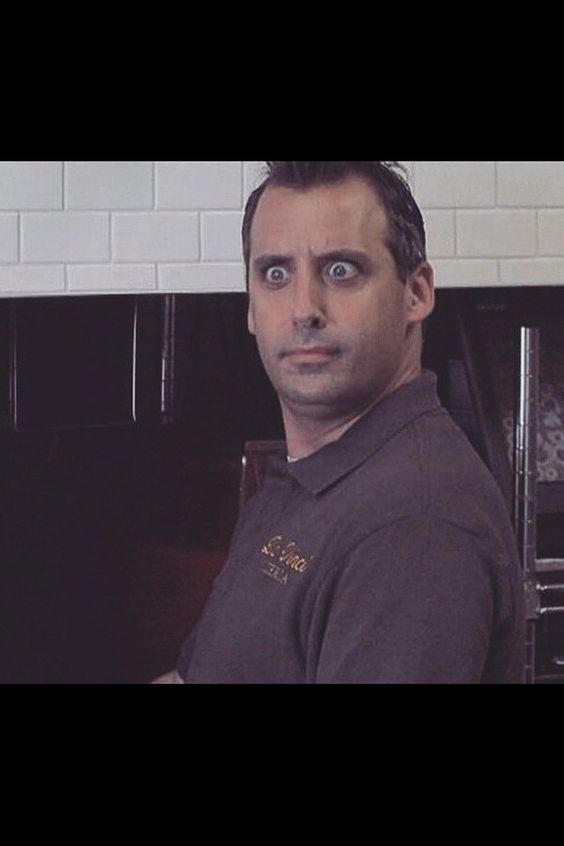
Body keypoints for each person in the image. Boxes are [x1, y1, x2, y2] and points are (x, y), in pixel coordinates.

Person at [157, 160, 525, 684]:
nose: (304, 308)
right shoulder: (309, 475)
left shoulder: (414, 528)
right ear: (251, 309)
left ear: (416, 293)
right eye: (276, 274)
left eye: (341, 270)